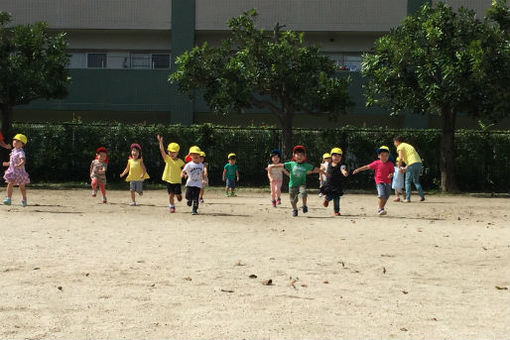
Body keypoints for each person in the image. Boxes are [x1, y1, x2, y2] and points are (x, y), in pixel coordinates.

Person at [353, 146, 394, 216]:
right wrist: (358, 169)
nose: (384, 157)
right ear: (378, 156)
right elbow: (367, 167)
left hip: (388, 182)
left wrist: (391, 175)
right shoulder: (376, 163)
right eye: (382, 155)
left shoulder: (390, 164)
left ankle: (381, 207)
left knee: (386, 196)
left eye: (386, 155)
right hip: (379, 181)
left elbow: (392, 172)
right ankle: (380, 209)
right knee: (382, 195)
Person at [283, 145, 322, 217]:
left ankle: (304, 205)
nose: (299, 156)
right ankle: (294, 209)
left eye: (301, 155)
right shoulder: (291, 164)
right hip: (292, 185)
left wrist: (324, 172)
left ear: (304, 157)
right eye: (297, 154)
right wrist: (273, 166)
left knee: (303, 193)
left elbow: (315, 169)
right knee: (293, 200)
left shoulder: (306, 165)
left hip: (301, 184)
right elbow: (282, 166)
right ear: (294, 156)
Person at [157, 135, 185, 213]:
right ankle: (172, 207)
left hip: (177, 181)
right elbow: (162, 151)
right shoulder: (167, 159)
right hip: (169, 180)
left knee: (178, 195)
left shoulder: (180, 161)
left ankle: (179, 195)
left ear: (177, 153)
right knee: (171, 195)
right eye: (170, 152)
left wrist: (184, 173)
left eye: (174, 152)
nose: (171, 153)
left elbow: (185, 168)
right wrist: (160, 142)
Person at [393, 136, 425, 202]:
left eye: (394, 142)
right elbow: (411, 158)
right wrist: (405, 167)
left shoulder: (400, 146)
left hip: (411, 164)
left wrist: (399, 167)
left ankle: (407, 198)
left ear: (397, 141)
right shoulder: (408, 146)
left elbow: (400, 158)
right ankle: (422, 196)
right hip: (418, 163)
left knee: (407, 181)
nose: (394, 144)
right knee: (416, 181)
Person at [2, 134, 30, 207]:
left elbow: (23, 161)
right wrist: (7, 163)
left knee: (22, 187)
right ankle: (8, 199)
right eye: (14, 140)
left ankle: (24, 198)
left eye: (18, 141)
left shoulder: (21, 152)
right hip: (12, 172)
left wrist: (19, 165)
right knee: (10, 183)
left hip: (20, 173)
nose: (15, 142)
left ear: (22, 144)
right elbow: (12, 162)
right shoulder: (13, 151)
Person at [322, 147, 349, 216]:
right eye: (335, 156)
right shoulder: (328, 164)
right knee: (330, 195)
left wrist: (344, 172)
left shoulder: (341, 165)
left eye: (339, 156)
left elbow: (343, 169)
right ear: (331, 156)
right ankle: (327, 199)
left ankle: (336, 211)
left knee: (337, 198)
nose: (337, 157)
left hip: (338, 184)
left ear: (341, 158)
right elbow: (322, 167)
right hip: (329, 184)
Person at [181, 146, 205, 215]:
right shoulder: (189, 164)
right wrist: (183, 174)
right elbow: (184, 171)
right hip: (190, 183)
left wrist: (203, 179)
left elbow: (202, 172)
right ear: (190, 156)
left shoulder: (201, 165)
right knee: (187, 196)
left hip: (198, 183)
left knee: (196, 197)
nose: (195, 156)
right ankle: (189, 200)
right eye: (193, 154)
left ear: (199, 155)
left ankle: (194, 210)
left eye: (197, 154)